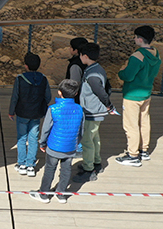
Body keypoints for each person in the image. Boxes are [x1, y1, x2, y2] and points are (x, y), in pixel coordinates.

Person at [30, 80, 84, 204]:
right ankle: (61, 194)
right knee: (66, 170)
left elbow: (45, 129)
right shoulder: (79, 109)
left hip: (54, 146)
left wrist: (42, 143)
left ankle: (44, 194)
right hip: (70, 146)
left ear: (59, 92)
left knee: (49, 169)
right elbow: (81, 130)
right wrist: (76, 143)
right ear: (76, 93)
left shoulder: (53, 109)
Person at [116, 26, 160, 166]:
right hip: (146, 93)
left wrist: (121, 71)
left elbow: (128, 76)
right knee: (144, 121)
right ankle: (144, 150)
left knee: (131, 125)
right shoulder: (155, 53)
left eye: (135, 37)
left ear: (140, 39)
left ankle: (133, 155)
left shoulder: (137, 56)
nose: (134, 39)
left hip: (132, 95)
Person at [74, 42, 113, 182]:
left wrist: (109, 105)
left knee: (87, 141)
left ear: (84, 56)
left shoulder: (92, 75)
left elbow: (101, 92)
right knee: (94, 138)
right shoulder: (97, 68)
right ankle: (97, 163)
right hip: (95, 111)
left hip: (92, 111)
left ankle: (88, 169)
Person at [9, 52, 51, 177]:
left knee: (22, 138)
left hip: (22, 113)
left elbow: (15, 97)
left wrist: (11, 111)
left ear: (26, 66)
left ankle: (21, 164)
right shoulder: (43, 78)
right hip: (36, 113)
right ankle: (31, 165)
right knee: (33, 139)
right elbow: (48, 96)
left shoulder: (20, 78)